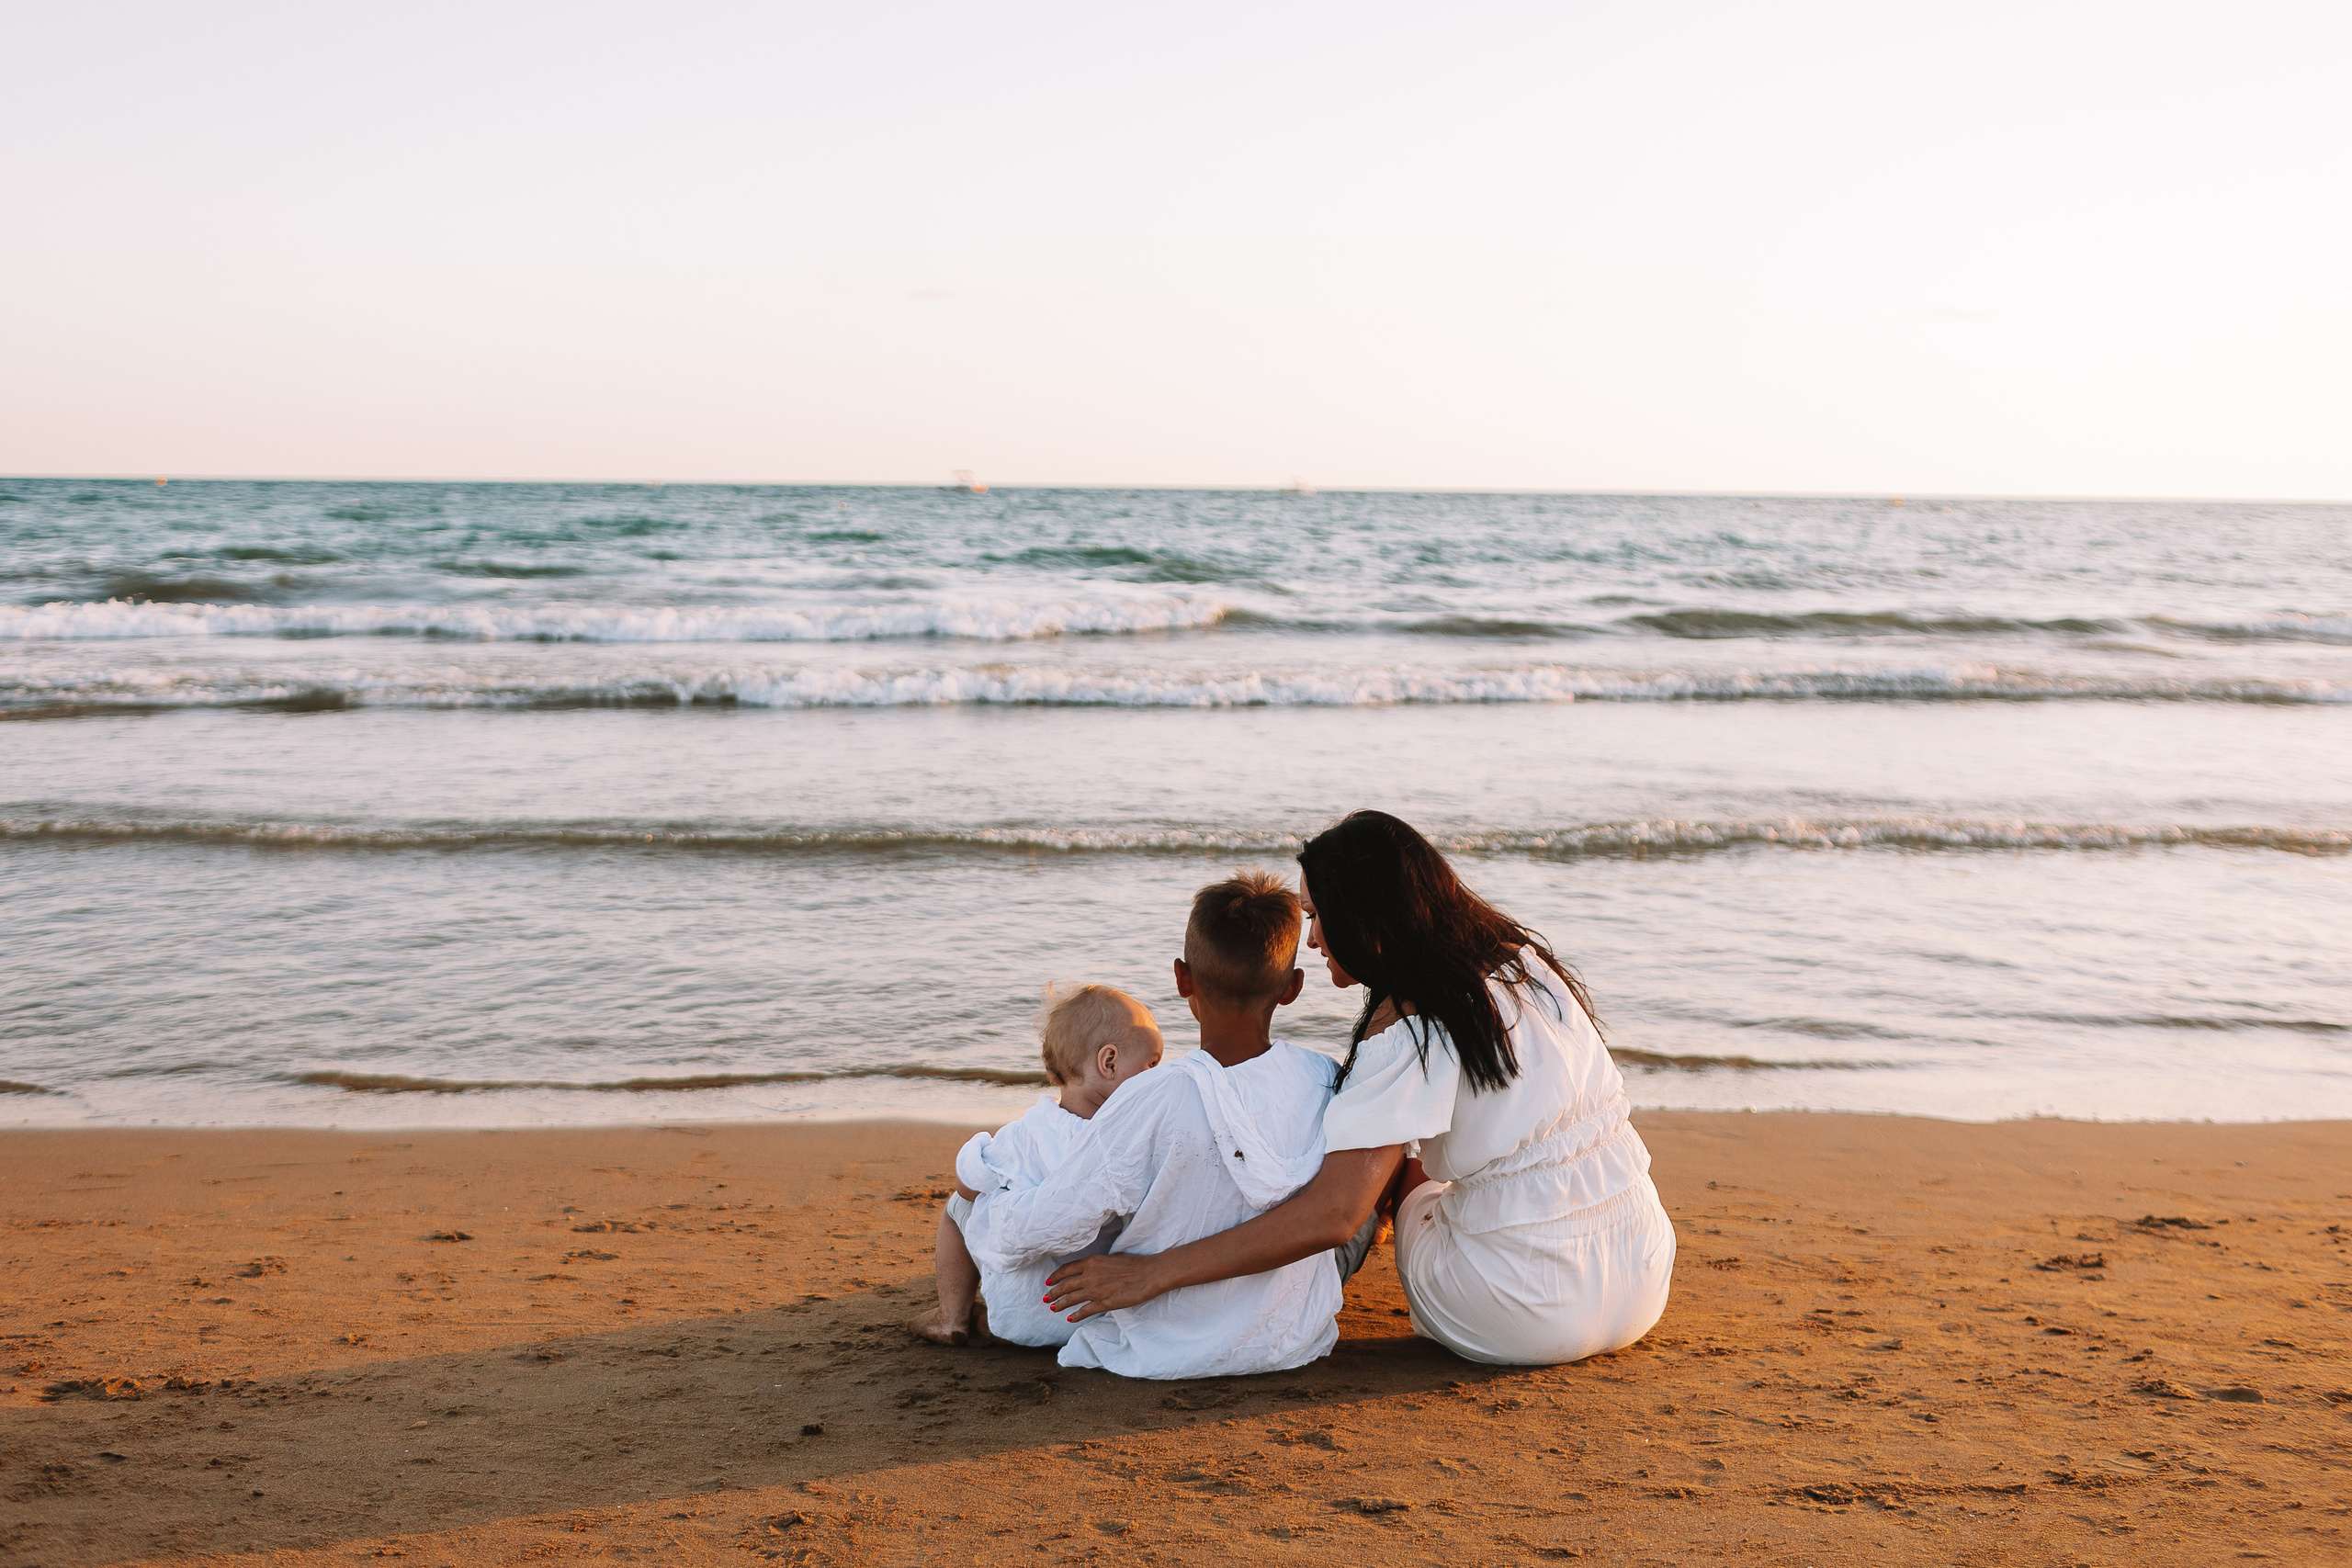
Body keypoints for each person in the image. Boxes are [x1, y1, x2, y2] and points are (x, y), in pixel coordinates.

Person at [1044, 810, 1676, 1367]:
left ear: (1367, 918)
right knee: (1446, 1152)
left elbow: (1334, 1214)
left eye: (1318, 917)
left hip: (1523, 1308)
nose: (1312, 940)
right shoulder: (1523, 960)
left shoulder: (1407, 1022)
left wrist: (1150, 1273)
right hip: (1644, 1264)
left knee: (1402, 1176)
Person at [964, 871, 1340, 1379]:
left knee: (990, 1208)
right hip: (1290, 1337)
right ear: (1293, 989)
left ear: (1182, 978)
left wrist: (982, 1211)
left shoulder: (1152, 1098)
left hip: (1164, 1347)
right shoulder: (1324, 1079)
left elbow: (1054, 1221)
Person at [904, 983, 1162, 1347]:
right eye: (1152, 1064)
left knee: (957, 1207)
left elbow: (968, 1184)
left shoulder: (1025, 1135)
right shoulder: (1131, 1144)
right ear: (1109, 1062)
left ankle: (951, 1316)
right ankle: (986, 1323)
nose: (1157, 1077)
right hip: (1092, 1313)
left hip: (1023, 1312)